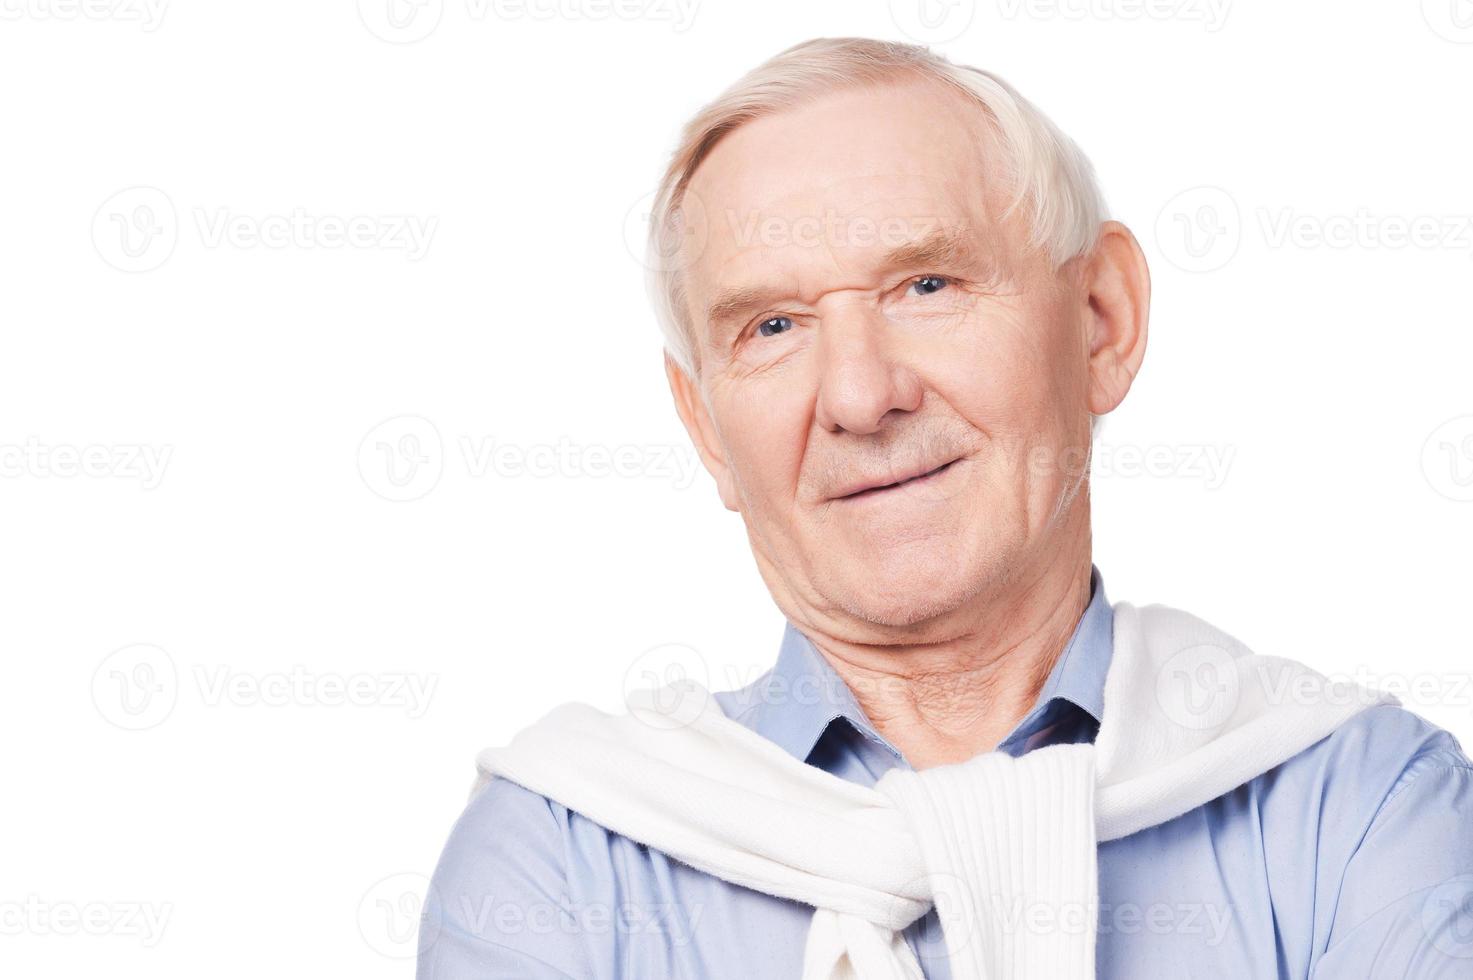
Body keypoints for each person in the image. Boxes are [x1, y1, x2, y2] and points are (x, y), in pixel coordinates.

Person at [419, 37, 1473, 978]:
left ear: (1102, 320)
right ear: (705, 426)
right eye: (775, 325)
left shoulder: (1360, 805)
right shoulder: (561, 853)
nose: (860, 395)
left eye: (926, 285)